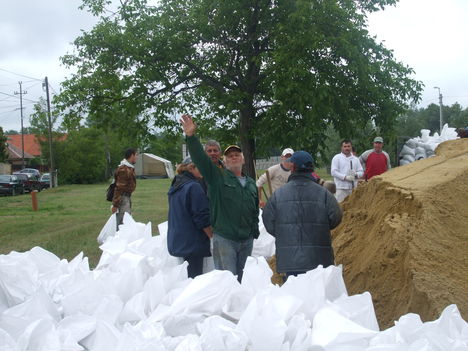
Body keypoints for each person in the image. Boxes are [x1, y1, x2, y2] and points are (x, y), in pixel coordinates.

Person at [180, 114, 259, 282]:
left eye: (237, 154)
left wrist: (254, 231)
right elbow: (200, 159)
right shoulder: (217, 178)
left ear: (243, 159)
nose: (234, 157)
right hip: (225, 239)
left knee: (244, 281)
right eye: (229, 156)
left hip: (246, 240)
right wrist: (191, 137)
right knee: (226, 281)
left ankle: (241, 308)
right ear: (224, 160)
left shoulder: (251, 183)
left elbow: (253, 210)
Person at [262, 151, 342, 280]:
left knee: (294, 297)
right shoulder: (324, 194)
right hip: (319, 259)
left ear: (293, 167)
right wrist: (322, 227)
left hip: (290, 260)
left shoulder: (278, 195)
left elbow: (269, 222)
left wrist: (284, 232)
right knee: (317, 296)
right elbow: (336, 217)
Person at [167, 157, 213, 278]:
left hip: (180, 240)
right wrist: (212, 237)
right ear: (192, 168)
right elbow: (202, 217)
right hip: (193, 242)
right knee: (195, 281)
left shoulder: (177, 184)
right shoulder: (193, 186)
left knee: (186, 280)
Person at [112, 148, 138, 229]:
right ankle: (120, 240)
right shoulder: (124, 169)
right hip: (122, 198)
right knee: (123, 223)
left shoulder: (129, 168)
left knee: (126, 221)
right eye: (136, 155)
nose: (137, 157)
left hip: (126, 197)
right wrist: (115, 205)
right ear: (132, 155)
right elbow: (119, 188)